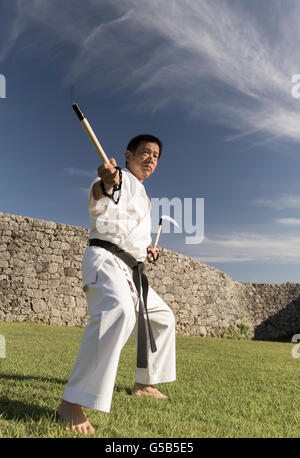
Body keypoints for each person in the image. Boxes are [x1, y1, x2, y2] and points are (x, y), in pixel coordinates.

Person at [56, 134, 176, 435]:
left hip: (131, 267)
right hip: (105, 259)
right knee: (119, 310)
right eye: (145, 152)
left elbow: (134, 237)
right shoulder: (117, 177)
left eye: (156, 155)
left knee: (163, 318)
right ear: (127, 154)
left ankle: (144, 382)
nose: (151, 158)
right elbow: (100, 195)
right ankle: (71, 402)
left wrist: (148, 250)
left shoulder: (146, 199)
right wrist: (105, 181)